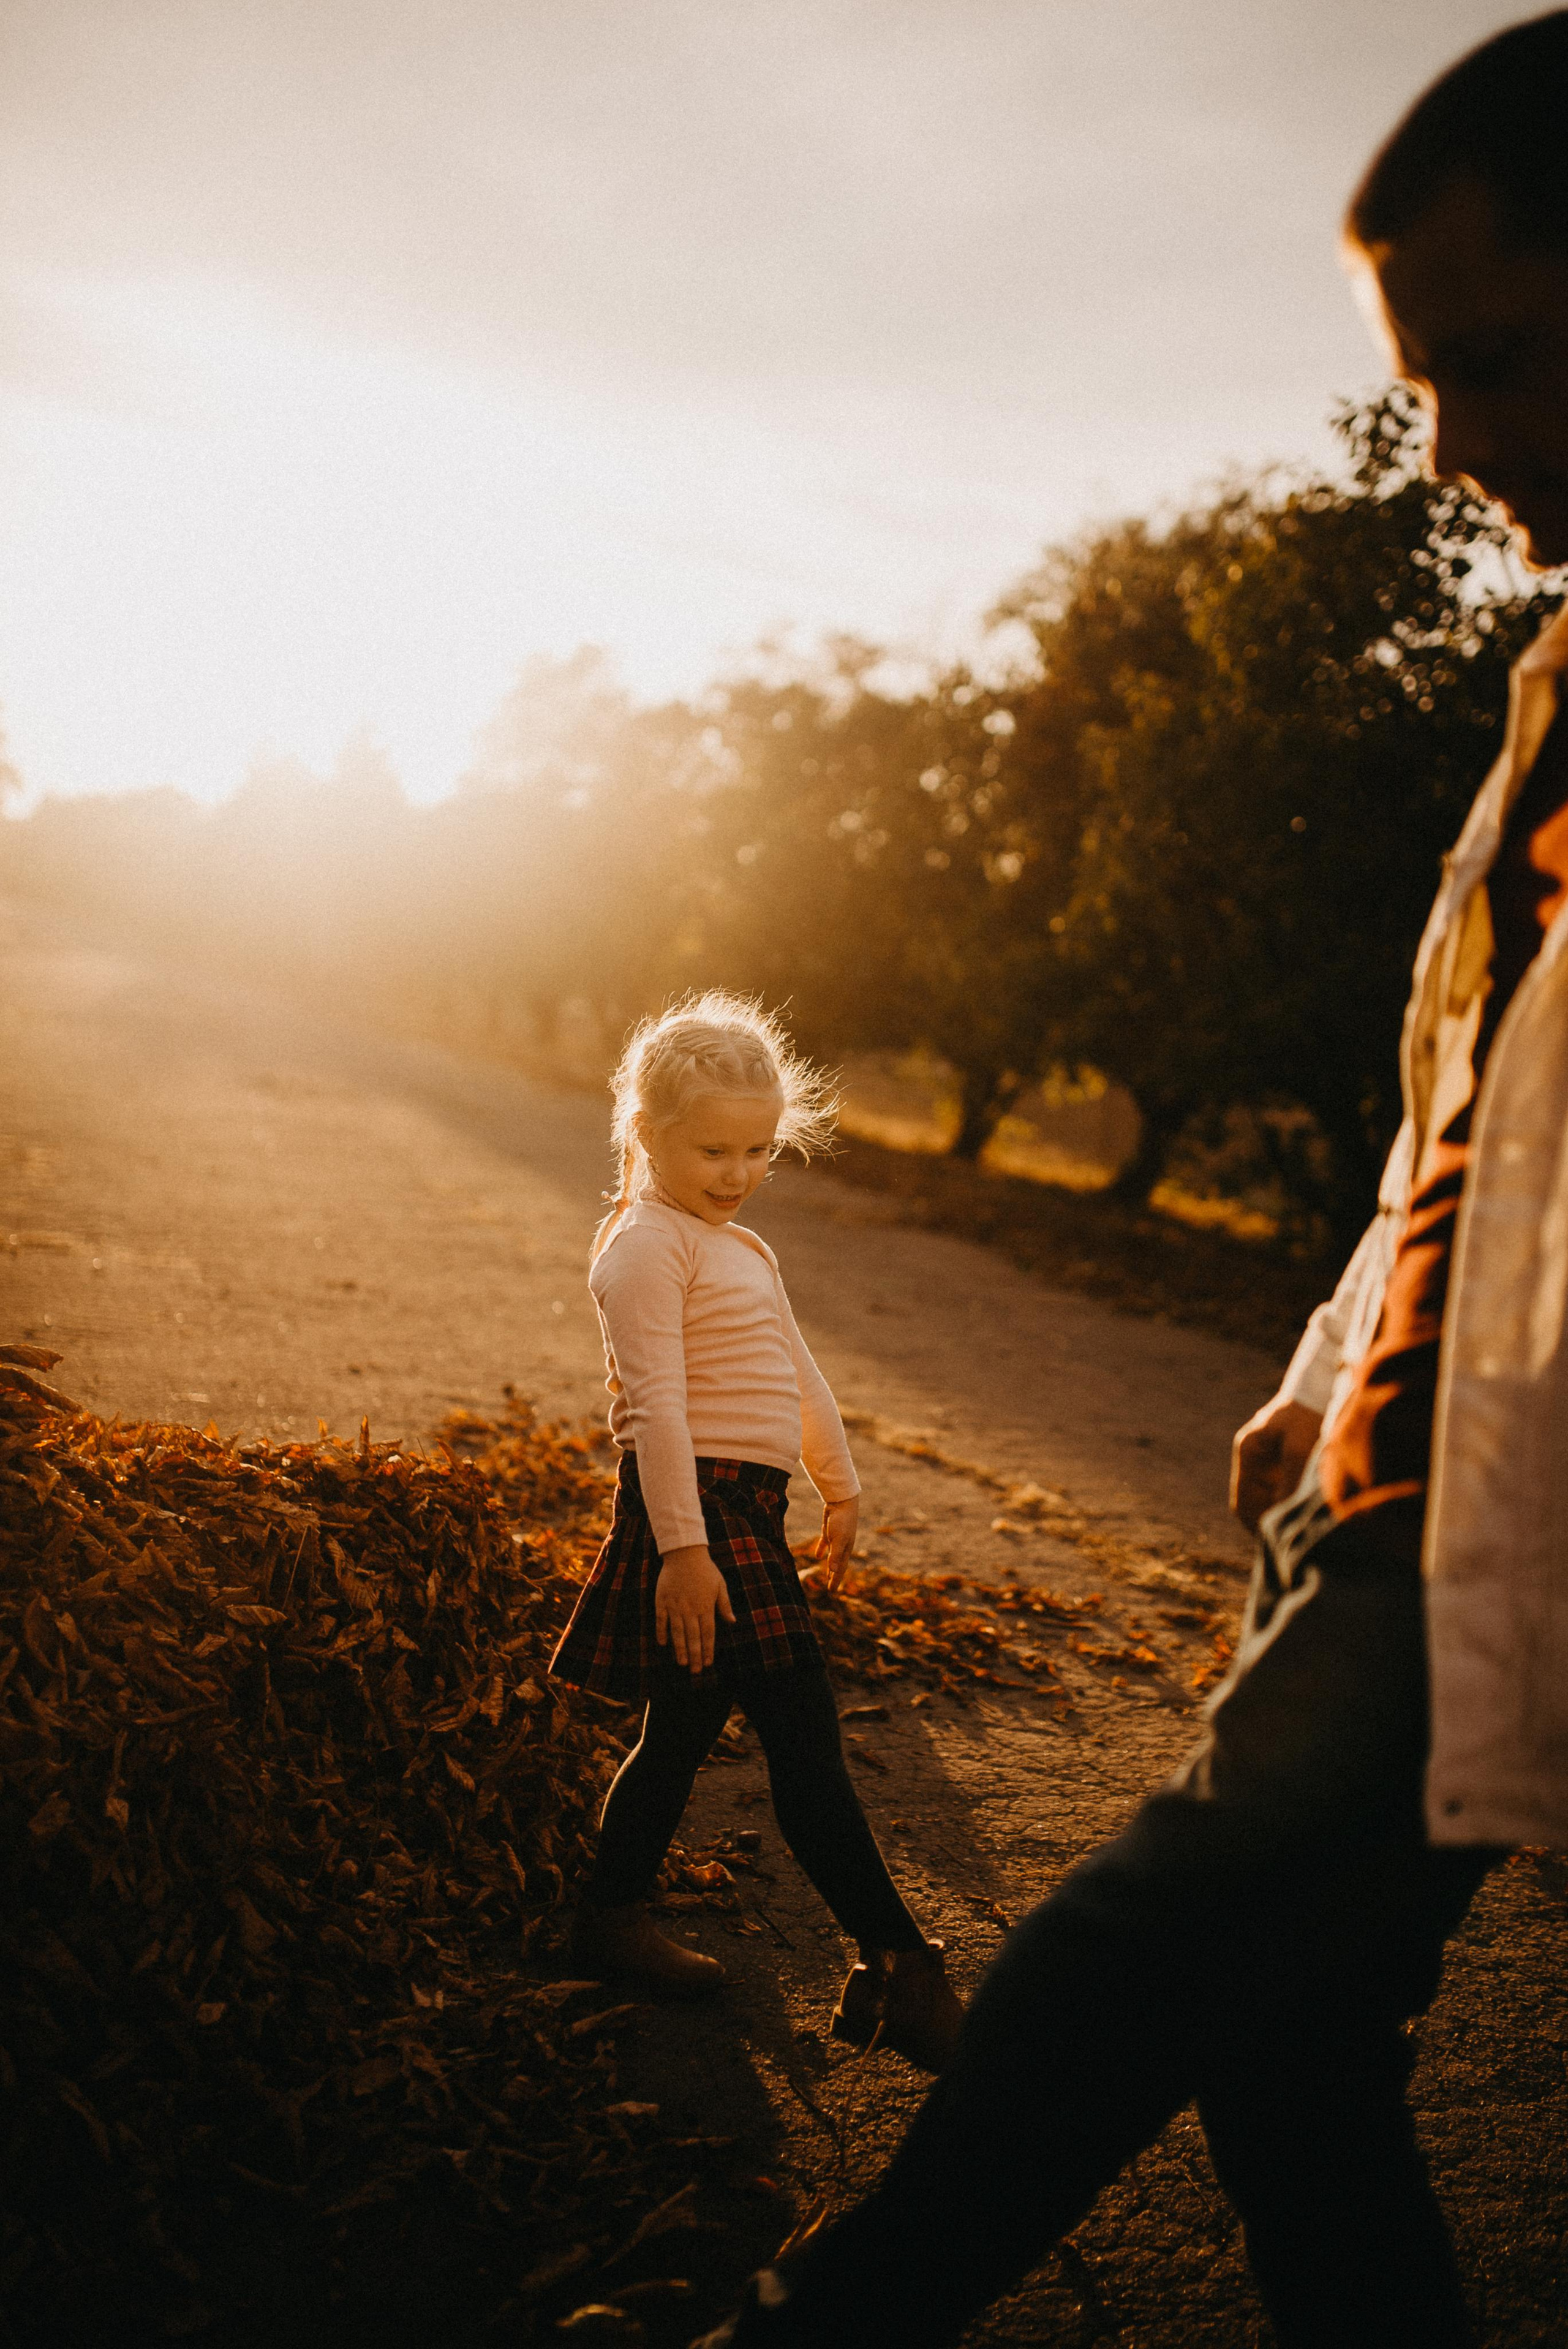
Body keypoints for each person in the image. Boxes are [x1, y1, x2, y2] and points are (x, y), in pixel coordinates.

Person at [693, 14, 1568, 2346]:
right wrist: (1328, 1360)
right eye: (1431, 381)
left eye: (1498, 362)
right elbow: (1465, 1118)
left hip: (1495, 1505)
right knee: (1292, 2042)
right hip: (1400, 1465)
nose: (1460, 448)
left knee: (1157, 1919)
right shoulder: (1560, 688)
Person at [549, 991, 963, 2070]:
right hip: (699, 1509)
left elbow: (797, 1372)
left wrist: (842, 1482)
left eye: (759, 1150)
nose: (737, 1174)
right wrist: (683, 1550)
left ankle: (608, 1917)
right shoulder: (645, 1245)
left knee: (678, 1732)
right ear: (647, 1135)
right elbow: (656, 1409)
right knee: (804, 1739)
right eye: (713, 1150)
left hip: (751, 1511)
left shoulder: (741, 1247)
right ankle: (898, 1965)